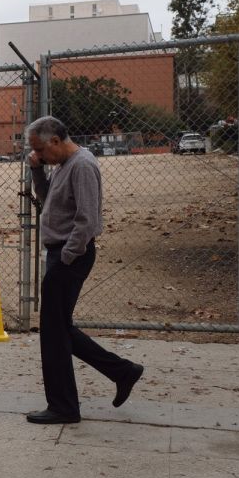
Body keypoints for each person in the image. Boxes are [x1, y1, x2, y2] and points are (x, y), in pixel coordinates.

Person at [25, 116, 143, 424]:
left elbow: (87, 219)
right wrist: (37, 168)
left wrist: (67, 257)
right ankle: (122, 371)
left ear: (55, 140)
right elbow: (47, 200)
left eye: (39, 149)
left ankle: (64, 406)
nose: (37, 154)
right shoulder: (63, 164)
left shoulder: (82, 165)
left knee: (53, 333)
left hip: (70, 256)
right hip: (62, 253)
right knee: (59, 329)